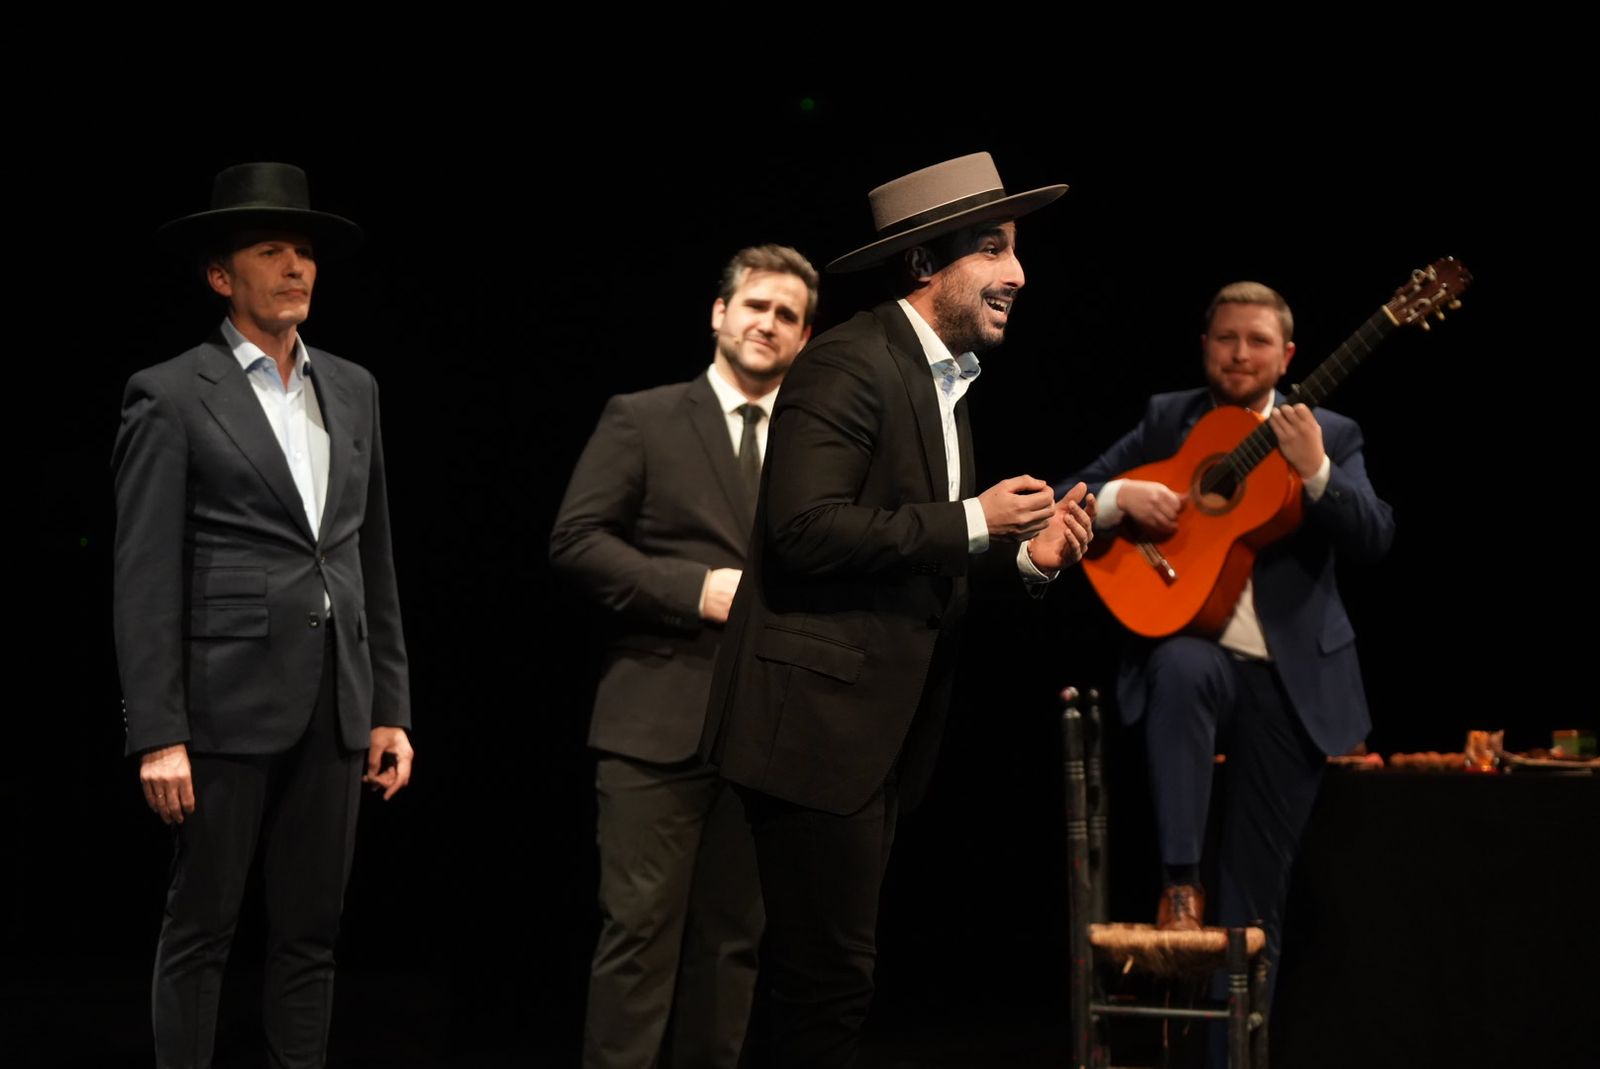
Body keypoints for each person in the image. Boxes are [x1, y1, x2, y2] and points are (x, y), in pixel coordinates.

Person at [701, 152, 1094, 1065]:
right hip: (811, 731)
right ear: (928, 266)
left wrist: (1025, 559)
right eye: (994, 250)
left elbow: (919, 557)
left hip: (870, 738)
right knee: (824, 986)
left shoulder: (941, 381)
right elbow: (804, 528)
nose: (1018, 274)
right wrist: (975, 518)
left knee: (829, 984)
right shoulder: (849, 362)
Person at [113, 161, 414, 1069]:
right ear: (220, 275)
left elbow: (372, 554)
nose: (297, 268)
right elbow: (143, 573)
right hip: (224, 698)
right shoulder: (169, 392)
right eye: (271, 249)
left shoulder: (353, 387)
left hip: (335, 697)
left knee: (312, 932)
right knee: (203, 925)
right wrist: (158, 731)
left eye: (307, 251)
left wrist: (389, 702)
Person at [1061, 280, 1394, 994]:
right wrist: (1123, 498)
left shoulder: (1330, 433)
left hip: (1291, 681)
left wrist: (1316, 473)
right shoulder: (1169, 419)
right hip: (1197, 656)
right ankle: (1179, 883)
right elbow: (1071, 495)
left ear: (1288, 355)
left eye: (1258, 341)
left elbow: (1374, 535)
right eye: (1226, 338)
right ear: (1205, 346)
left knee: (1252, 904)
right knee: (1179, 664)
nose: (1241, 353)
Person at [550, 244, 819, 1067]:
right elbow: (575, 542)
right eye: (755, 306)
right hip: (655, 722)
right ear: (719, 313)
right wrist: (692, 587)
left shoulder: (816, 446)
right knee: (638, 941)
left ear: (807, 338)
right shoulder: (644, 416)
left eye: (787, 315)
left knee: (732, 947)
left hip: (760, 735)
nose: (767, 323)